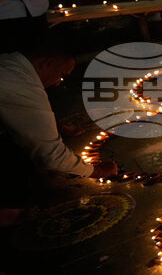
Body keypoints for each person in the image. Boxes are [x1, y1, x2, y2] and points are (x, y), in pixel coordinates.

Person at [0, 37, 116, 181]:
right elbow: (51, 156)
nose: (57, 83)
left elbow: (19, 115)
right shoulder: (21, 85)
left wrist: (50, 127)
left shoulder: (8, 63)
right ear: (47, 64)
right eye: (61, 76)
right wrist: (97, 171)